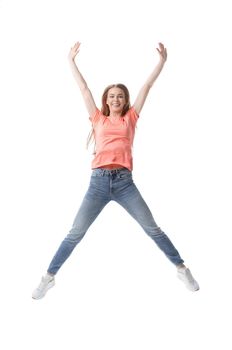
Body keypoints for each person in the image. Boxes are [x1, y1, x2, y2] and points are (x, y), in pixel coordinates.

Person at [32, 41, 199, 299]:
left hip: (124, 183)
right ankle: (48, 277)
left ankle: (181, 268)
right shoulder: (97, 118)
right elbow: (84, 89)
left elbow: (147, 87)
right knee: (75, 233)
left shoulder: (130, 118)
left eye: (120, 96)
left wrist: (161, 63)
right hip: (98, 183)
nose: (116, 99)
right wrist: (71, 61)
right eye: (112, 96)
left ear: (125, 100)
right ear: (106, 100)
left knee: (152, 228)